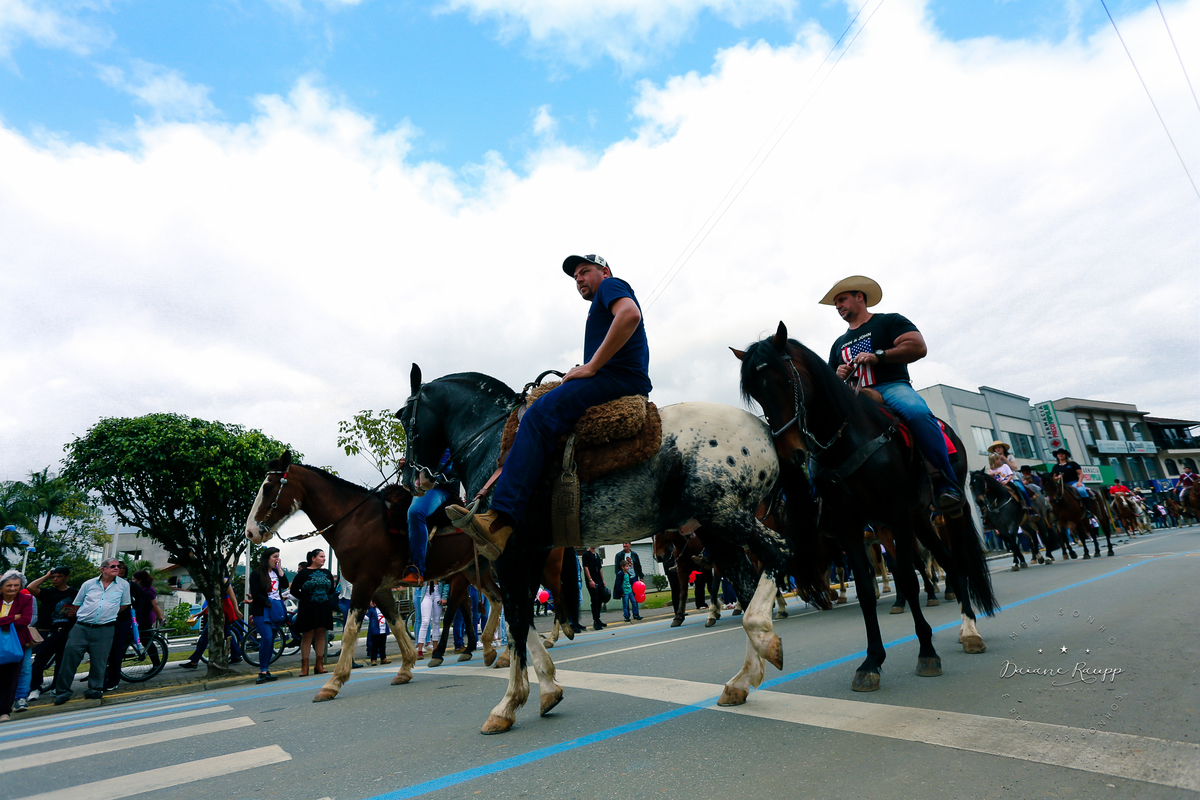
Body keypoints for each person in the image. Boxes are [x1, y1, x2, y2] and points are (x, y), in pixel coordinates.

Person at [448, 254, 653, 559]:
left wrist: (591, 366)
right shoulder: (601, 300)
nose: (578, 278)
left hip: (616, 378)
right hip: (617, 377)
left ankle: (500, 520)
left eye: (584, 271)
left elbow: (630, 315)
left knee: (538, 417)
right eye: (575, 276)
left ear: (605, 271)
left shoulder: (611, 286)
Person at [822, 276, 961, 507]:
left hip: (892, 387)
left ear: (860, 297)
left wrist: (879, 356)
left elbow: (917, 346)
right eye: (836, 303)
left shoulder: (889, 321)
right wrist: (837, 375)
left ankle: (945, 483)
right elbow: (830, 381)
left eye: (842, 300)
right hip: (854, 396)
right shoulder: (838, 343)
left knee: (917, 413)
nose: (838, 306)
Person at [54, 557, 130, 705]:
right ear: (103, 569)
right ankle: (63, 692)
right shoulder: (89, 584)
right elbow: (78, 603)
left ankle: (95, 689)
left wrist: (108, 614)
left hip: (105, 628)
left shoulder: (124, 585)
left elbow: (124, 605)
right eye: (113, 566)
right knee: (69, 659)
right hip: (81, 627)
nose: (117, 568)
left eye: (118, 566)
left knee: (99, 662)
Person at [400, 452, 460, 586]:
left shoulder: (447, 440)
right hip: (417, 485)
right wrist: (408, 467)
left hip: (440, 488)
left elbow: (445, 468)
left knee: (416, 512)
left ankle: (417, 570)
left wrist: (423, 475)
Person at [26, 566, 74, 702]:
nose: (55, 579)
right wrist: (46, 576)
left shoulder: (74, 593)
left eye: (59, 576)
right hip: (46, 631)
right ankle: (35, 688)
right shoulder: (47, 592)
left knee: (61, 662)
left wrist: (74, 613)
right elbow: (30, 588)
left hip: (65, 631)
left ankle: (57, 687)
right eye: (54, 577)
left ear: (66, 577)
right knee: (39, 661)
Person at [179, 578, 244, 668]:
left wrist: (236, 610)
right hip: (217, 609)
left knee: (206, 635)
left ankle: (194, 661)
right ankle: (236, 655)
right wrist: (201, 613)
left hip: (223, 609)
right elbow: (213, 600)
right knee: (226, 633)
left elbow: (232, 595)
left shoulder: (223, 580)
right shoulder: (212, 580)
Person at [290, 548, 335, 676]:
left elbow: (331, 590)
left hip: (324, 607)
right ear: (313, 558)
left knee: (321, 635)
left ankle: (319, 665)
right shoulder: (303, 573)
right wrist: (305, 598)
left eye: (324, 556)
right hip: (308, 608)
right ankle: (304, 667)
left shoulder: (327, 573)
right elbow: (294, 590)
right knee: (307, 636)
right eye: (321, 556)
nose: (324, 559)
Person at [248, 548, 289, 684]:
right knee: (266, 638)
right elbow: (255, 593)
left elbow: (284, 585)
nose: (277, 559)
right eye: (274, 556)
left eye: (278, 556)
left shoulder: (276, 573)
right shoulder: (256, 574)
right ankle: (263, 671)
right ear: (267, 558)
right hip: (262, 610)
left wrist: (280, 569)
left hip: (276, 609)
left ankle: (266, 669)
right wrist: (268, 602)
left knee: (271, 640)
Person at [0, 571, 33, 721]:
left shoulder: (26, 599)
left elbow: (25, 620)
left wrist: (3, 620)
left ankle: (4, 711)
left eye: (16, 585)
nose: (12, 588)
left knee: (11, 678)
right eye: (9, 585)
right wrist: (13, 617)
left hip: (16, 643)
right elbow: (18, 619)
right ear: (1, 587)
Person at [1049, 448, 1093, 516]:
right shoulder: (1055, 467)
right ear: (1057, 456)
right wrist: (1057, 477)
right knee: (1051, 496)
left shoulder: (1073, 464)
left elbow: (1081, 474)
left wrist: (1079, 482)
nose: (1060, 455)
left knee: (1082, 491)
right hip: (1062, 485)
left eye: (1062, 453)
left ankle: (1088, 510)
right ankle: (1056, 513)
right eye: (1059, 454)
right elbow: (1053, 478)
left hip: (1074, 483)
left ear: (1066, 455)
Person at [415, 580, 447, 659]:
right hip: (426, 591)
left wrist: (444, 596)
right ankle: (420, 649)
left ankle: (435, 648)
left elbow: (446, 581)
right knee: (425, 621)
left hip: (438, 591)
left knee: (436, 621)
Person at [580, 546, 607, 630]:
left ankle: (598, 619)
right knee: (595, 600)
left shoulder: (597, 555)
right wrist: (590, 580)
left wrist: (603, 580)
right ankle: (595, 621)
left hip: (599, 580)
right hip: (592, 581)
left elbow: (600, 568)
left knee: (600, 599)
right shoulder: (586, 554)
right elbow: (585, 567)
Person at [365, 602, 390, 666]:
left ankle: (383, 658)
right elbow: (366, 618)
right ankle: (373, 659)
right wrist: (362, 613)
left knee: (383, 645)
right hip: (375, 631)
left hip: (383, 630)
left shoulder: (384, 610)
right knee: (375, 646)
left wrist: (388, 629)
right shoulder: (372, 611)